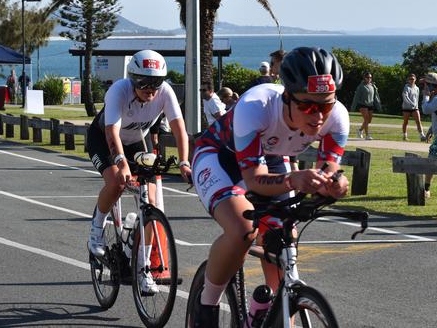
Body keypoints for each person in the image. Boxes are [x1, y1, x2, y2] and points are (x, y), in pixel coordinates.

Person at [190, 47, 350, 326]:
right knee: (242, 230)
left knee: (283, 237)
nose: (319, 116)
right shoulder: (257, 105)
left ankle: (265, 311)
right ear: (287, 97)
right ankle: (206, 306)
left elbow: (329, 171)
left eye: (325, 105)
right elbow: (253, 179)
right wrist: (292, 180)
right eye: (308, 106)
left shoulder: (338, 116)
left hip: (273, 158)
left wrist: (334, 184)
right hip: (220, 157)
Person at [86, 49, 192, 294]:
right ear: (133, 79)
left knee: (151, 201)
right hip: (103, 140)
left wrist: (185, 162)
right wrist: (121, 163)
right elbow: (112, 133)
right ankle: (96, 232)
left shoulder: (165, 93)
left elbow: (179, 129)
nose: (151, 91)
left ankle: (143, 268)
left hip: (135, 141)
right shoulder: (118, 91)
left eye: (156, 84)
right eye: (145, 84)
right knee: (116, 182)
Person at [350, 71, 380, 140]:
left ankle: (360, 130)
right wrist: (353, 107)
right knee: (366, 119)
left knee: (369, 120)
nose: (369, 79)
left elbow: (376, 97)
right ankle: (367, 135)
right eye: (368, 77)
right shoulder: (361, 86)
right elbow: (356, 97)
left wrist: (379, 105)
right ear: (364, 78)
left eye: (370, 77)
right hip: (362, 105)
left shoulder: (372, 86)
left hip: (370, 105)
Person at [401, 73, 426, 141]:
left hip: (415, 108)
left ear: (415, 79)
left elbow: (417, 98)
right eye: (410, 79)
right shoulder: (406, 87)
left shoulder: (417, 88)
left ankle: (422, 135)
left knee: (418, 121)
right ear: (408, 80)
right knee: (405, 122)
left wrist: (416, 105)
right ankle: (404, 135)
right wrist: (411, 103)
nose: (412, 80)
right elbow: (405, 97)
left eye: (413, 79)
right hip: (406, 108)